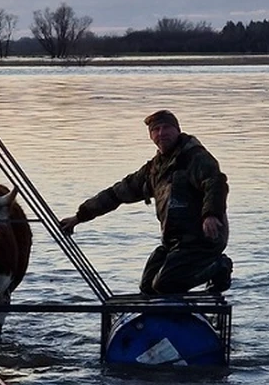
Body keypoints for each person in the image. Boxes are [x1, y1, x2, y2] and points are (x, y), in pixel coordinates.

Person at [59, 109, 232, 295]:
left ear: (177, 130)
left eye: (166, 128)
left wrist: (211, 215)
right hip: (174, 242)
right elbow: (117, 193)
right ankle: (164, 317)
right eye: (155, 130)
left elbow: (215, 184)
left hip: (204, 240)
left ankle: (219, 266)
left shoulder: (195, 157)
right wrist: (80, 216)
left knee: (165, 285)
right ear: (151, 136)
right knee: (148, 288)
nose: (161, 133)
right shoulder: (154, 169)